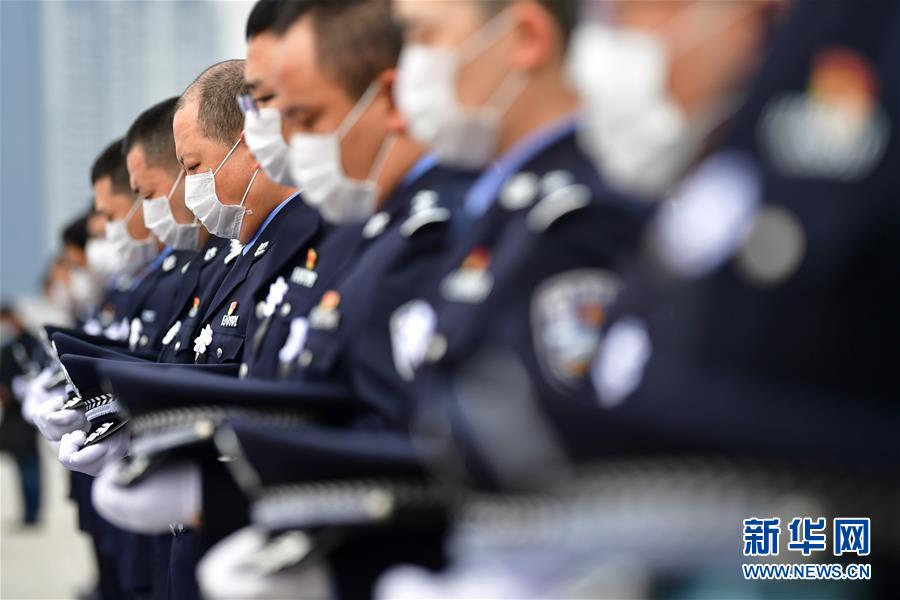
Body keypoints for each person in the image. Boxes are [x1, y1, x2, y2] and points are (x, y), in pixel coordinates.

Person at [0, 304, 44, 526]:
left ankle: (32, 513)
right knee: (24, 465)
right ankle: (29, 512)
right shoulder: (9, 348)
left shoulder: (30, 343)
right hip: (16, 416)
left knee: (29, 465)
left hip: (26, 415)